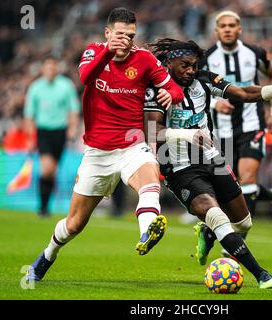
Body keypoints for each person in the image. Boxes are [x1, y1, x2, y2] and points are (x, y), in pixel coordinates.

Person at [26, 8, 185, 282]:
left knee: (150, 180)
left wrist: (169, 94)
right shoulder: (92, 52)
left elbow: (176, 89)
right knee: (74, 224)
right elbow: (86, 77)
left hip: (131, 146)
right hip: (97, 153)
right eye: (121, 34)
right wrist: (108, 52)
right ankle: (47, 255)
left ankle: (147, 232)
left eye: (131, 36)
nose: (127, 40)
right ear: (108, 33)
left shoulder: (144, 60)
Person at [143, 38, 272, 288]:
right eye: (185, 65)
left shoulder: (204, 79)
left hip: (212, 159)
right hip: (179, 167)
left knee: (244, 222)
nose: (190, 70)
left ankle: (207, 233)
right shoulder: (155, 89)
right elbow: (152, 132)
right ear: (169, 62)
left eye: (194, 65)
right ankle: (261, 274)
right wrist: (189, 135)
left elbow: (242, 93)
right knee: (218, 216)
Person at [200, 10, 272, 230]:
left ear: (239, 29)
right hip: (221, 131)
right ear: (217, 31)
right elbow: (197, 88)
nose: (228, 29)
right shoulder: (206, 58)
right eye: (223, 26)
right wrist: (214, 104)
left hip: (252, 124)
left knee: (247, 179)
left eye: (232, 25)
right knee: (229, 187)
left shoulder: (255, 53)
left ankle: (239, 236)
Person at [24, 57, 80, 217]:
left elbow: (73, 109)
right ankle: (42, 207)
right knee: (46, 169)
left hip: (60, 132)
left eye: (53, 68)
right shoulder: (36, 87)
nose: (50, 71)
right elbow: (29, 115)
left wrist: (72, 128)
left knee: (52, 171)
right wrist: (29, 137)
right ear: (43, 70)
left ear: (56, 69)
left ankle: (45, 207)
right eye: (47, 68)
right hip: (43, 131)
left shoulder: (65, 85)